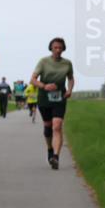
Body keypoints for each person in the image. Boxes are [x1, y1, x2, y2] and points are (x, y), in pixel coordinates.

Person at [30, 37, 75, 169]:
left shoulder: (67, 63)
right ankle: (50, 148)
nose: (58, 50)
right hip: (44, 97)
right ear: (51, 48)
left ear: (63, 49)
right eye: (55, 47)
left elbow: (71, 78)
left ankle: (55, 156)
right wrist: (44, 86)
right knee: (48, 126)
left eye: (60, 48)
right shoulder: (43, 62)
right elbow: (33, 80)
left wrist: (70, 90)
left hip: (60, 97)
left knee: (57, 125)